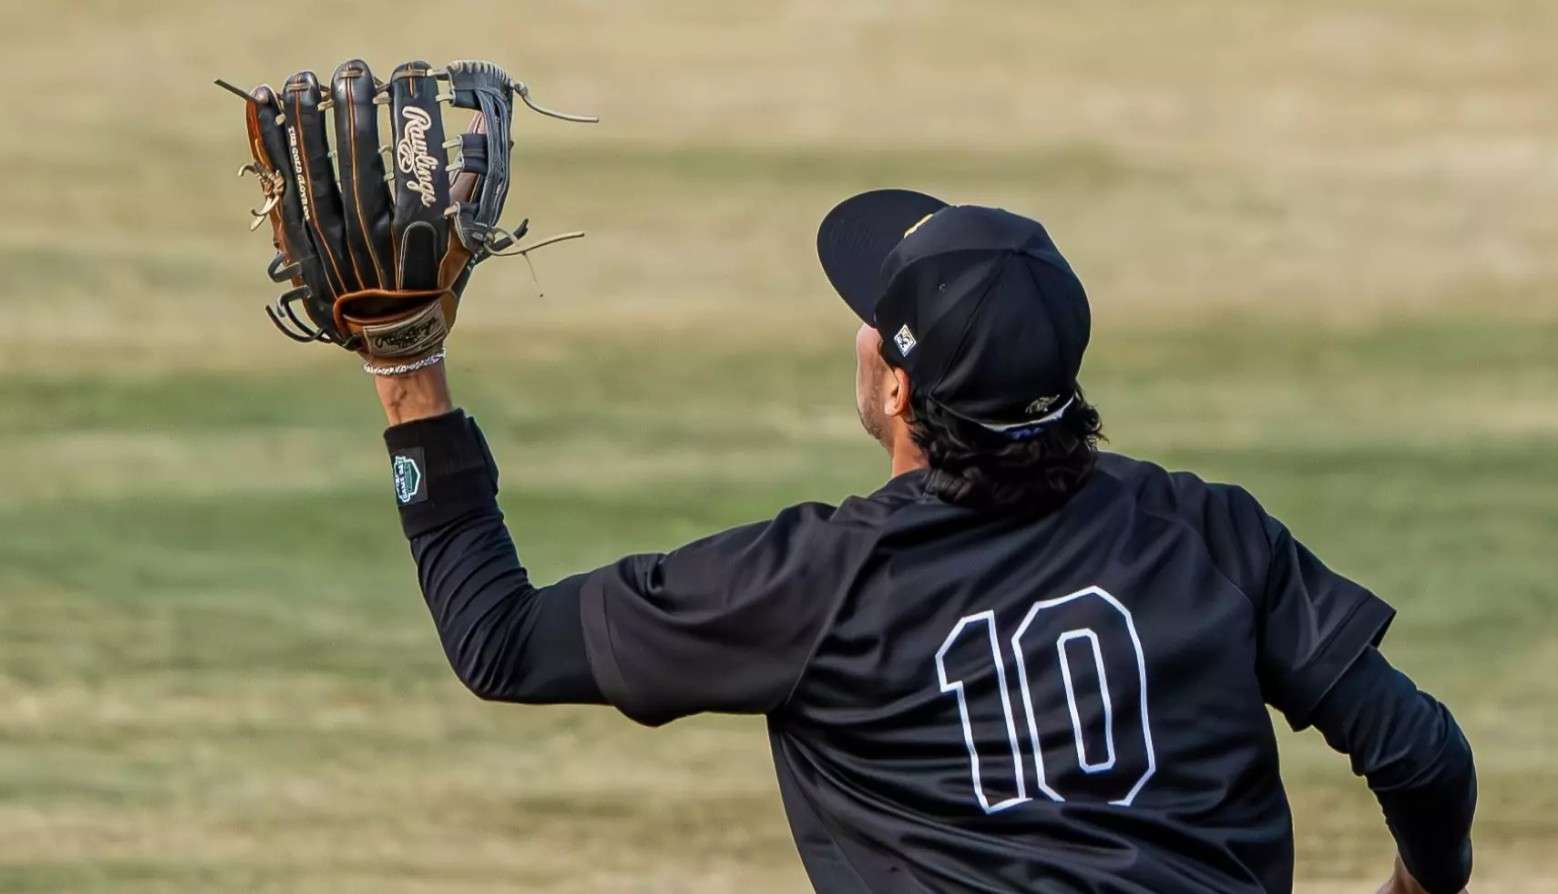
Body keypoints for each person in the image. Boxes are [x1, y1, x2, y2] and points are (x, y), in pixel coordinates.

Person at [368, 189, 1475, 893]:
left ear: (896, 385)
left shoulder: (816, 583)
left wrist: (405, 364)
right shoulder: (1209, 531)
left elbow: (502, 642)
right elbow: (1421, 757)